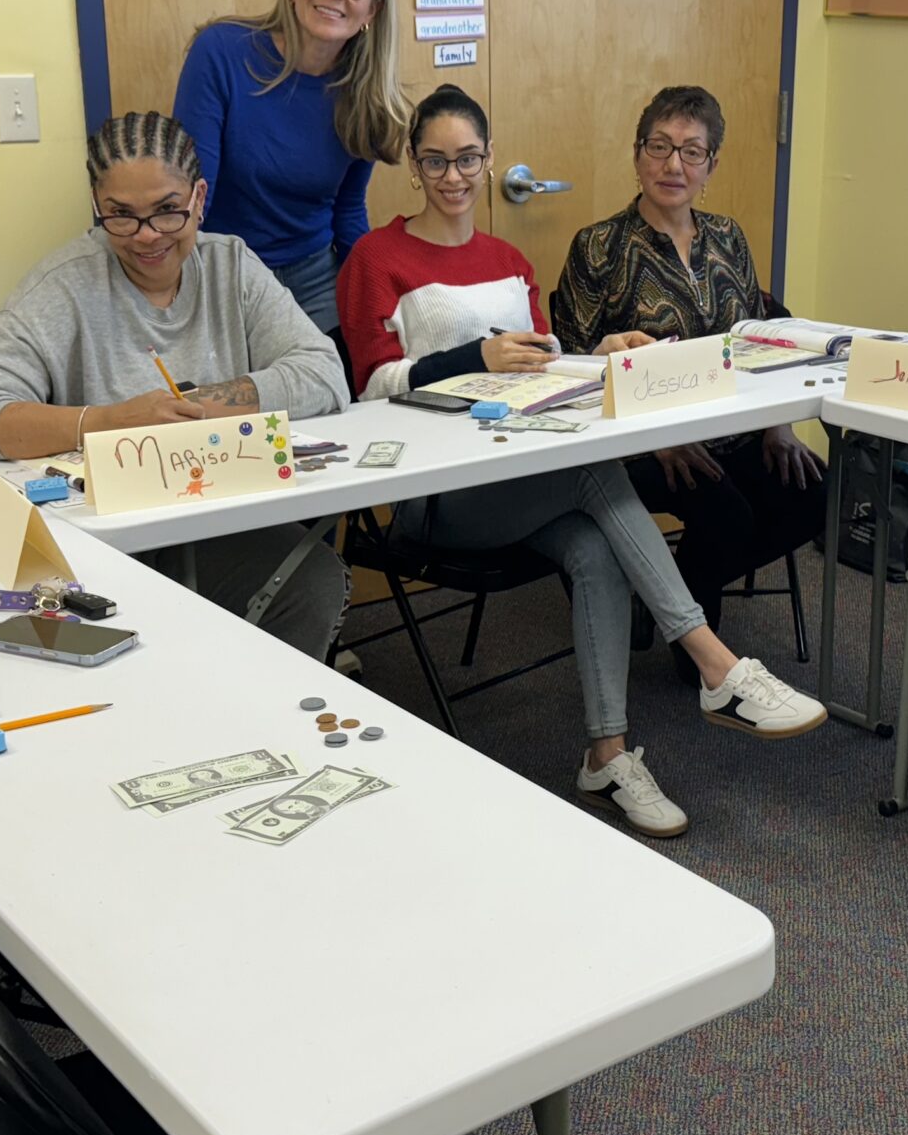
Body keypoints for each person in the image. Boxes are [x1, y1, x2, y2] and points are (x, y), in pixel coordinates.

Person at [336, 84, 828, 835]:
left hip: (523, 476)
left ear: (489, 159)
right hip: (436, 495)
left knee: (597, 544)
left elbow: (545, 368)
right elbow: (370, 385)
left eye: (467, 158)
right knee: (600, 475)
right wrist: (473, 358)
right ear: (413, 163)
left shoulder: (507, 260)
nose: (453, 175)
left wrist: (598, 354)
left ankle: (607, 758)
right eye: (435, 160)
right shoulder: (377, 256)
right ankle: (716, 665)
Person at [0, 110, 352, 656]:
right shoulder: (65, 285)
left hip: (218, 519)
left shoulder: (230, 265)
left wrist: (201, 406)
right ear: (96, 205)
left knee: (312, 583)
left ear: (199, 198)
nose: (147, 235)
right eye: (122, 216)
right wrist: (107, 421)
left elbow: (324, 372)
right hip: (102, 538)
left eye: (167, 211)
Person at [548, 84, 827, 656]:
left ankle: (668, 593)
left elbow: (756, 340)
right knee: (725, 511)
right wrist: (658, 439)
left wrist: (777, 425)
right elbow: (571, 370)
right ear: (637, 155)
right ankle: (697, 649)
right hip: (636, 443)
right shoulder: (598, 247)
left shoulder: (728, 238)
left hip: (732, 428)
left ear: (710, 166)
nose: (673, 165)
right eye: (659, 146)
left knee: (815, 491)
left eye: (692, 151)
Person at [172, 0, 406, 335]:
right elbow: (193, 201)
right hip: (226, 272)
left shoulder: (366, 93)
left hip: (315, 282)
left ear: (373, 8)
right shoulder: (221, 53)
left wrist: (374, 297)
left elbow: (348, 210)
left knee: (343, 375)